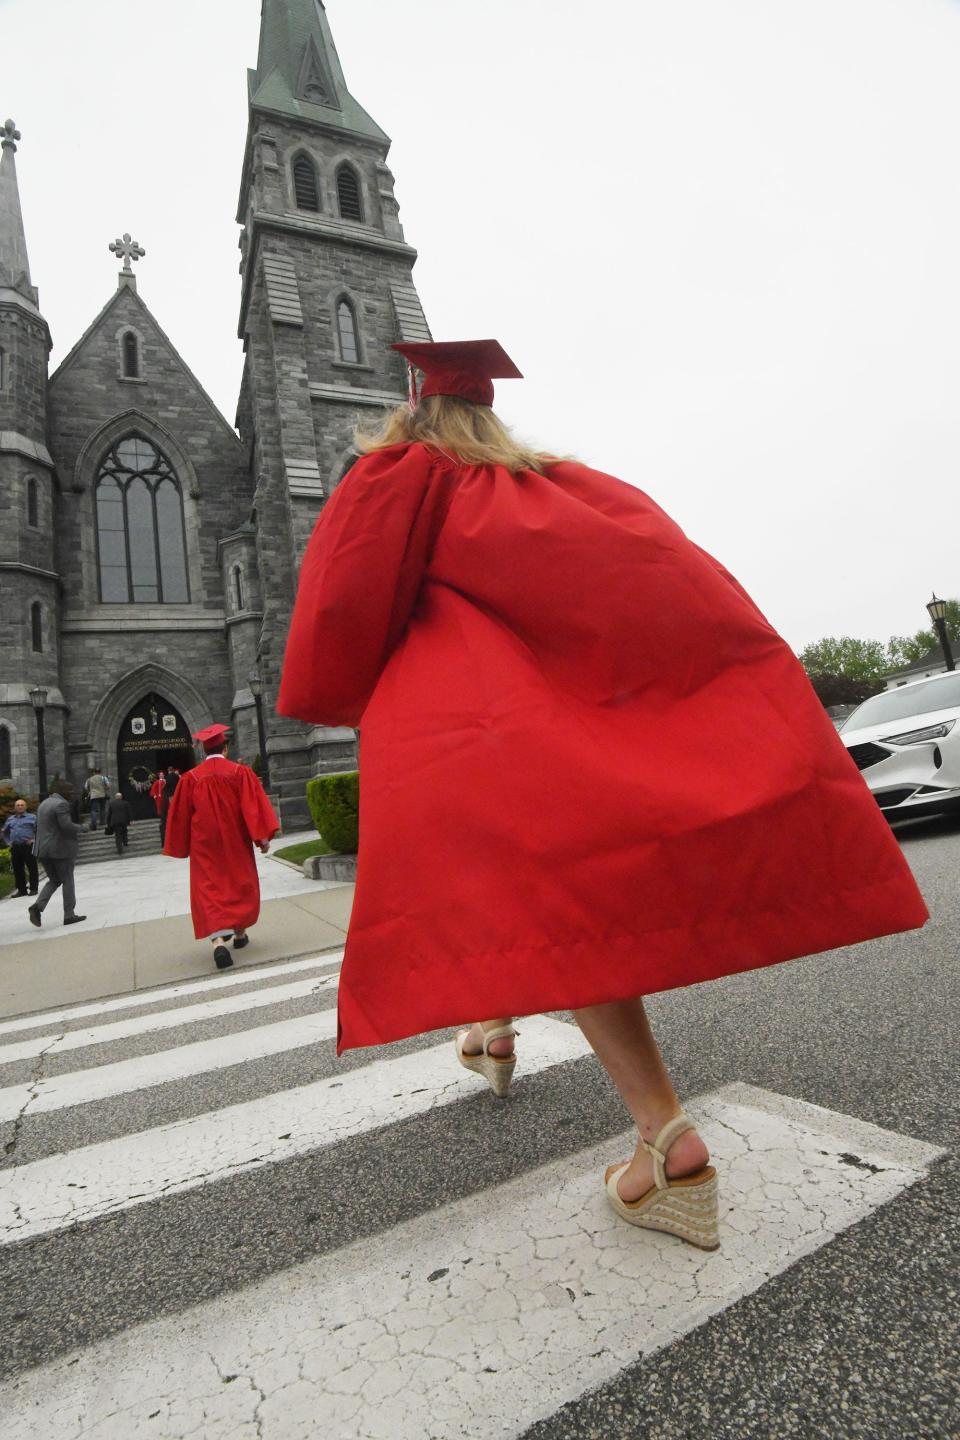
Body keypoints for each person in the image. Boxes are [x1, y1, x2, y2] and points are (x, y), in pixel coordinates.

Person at [277, 338, 928, 1251]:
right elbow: (664, 589)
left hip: (463, 723)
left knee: (551, 911)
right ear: (490, 419)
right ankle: (494, 1027)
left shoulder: (399, 472)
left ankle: (665, 1141)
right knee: (542, 893)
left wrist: (335, 686)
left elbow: (343, 602)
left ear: (412, 417)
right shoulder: (562, 487)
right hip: (543, 720)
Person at [163, 725, 279, 970]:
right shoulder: (240, 772)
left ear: (204, 752)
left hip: (204, 845)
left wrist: (181, 844)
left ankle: (218, 943)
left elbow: (180, 815)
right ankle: (239, 935)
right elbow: (252, 807)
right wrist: (262, 839)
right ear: (225, 749)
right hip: (235, 841)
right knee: (238, 882)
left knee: (209, 888)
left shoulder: (190, 779)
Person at [29, 779, 88, 928]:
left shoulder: (44, 803)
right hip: (59, 850)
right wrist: (83, 828)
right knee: (67, 879)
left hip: (43, 850)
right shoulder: (61, 804)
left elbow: (39, 826)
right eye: (70, 790)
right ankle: (69, 915)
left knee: (54, 880)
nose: (72, 793)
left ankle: (37, 907)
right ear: (63, 791)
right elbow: (66, 826)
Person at [2, 799, 39, 898]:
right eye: (18, 805)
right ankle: (22, 890)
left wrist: (33, 840)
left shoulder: (32, 818)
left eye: (22, 805)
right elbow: (4, 832)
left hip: (28, 846)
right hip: (15, 847)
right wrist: (8, 842)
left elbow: (39, 830)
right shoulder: (10, 819)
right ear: (15, 807)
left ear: (25, 807)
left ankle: (33, 888)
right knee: (18, 869)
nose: (20, 807)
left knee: (32, 867)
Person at [159, 764, 181, 846]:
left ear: (168, 770)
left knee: (172, 806)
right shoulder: (177, 776)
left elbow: (166, 786)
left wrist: (164, 790)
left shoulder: (168, 777)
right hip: (177, 793)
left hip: (171, 794)